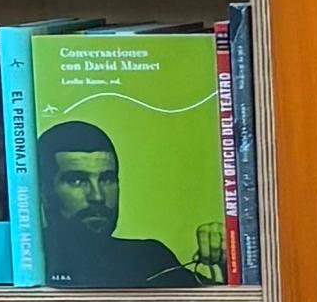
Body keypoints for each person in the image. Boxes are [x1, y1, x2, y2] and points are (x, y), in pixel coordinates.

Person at [37, 123, 199, 287]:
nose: (98, 196)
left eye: (107, 179)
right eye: (77, 181)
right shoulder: (27, 262)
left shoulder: (149, 259)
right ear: (43, 191)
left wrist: (222, 256)